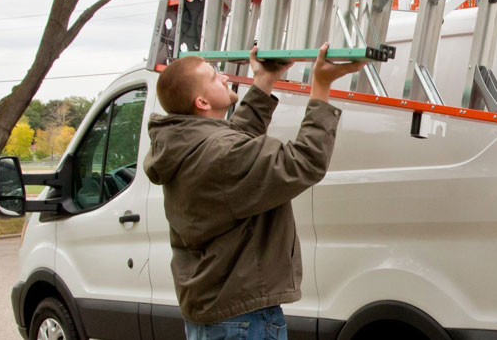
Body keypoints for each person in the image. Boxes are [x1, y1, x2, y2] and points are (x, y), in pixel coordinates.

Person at [144, 43, 365, 340]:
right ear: (202, 102)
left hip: (215, 314)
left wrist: (264, 80)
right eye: (213, 77)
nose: (224, 77)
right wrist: (321, 85)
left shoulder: (184, 145)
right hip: (242, 319)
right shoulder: (220, 154)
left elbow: (236, 141)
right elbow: (305, 162)